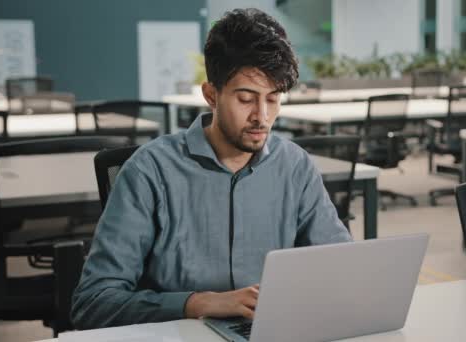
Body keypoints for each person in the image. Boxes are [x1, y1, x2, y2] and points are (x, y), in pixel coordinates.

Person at [71, 8, 352, 330]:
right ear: (211, 95)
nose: (262, 116)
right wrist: (198, 302)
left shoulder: (294, 166)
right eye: (246, 99)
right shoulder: (150, 172)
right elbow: (93, 303)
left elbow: (339, 268)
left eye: (273, 99)